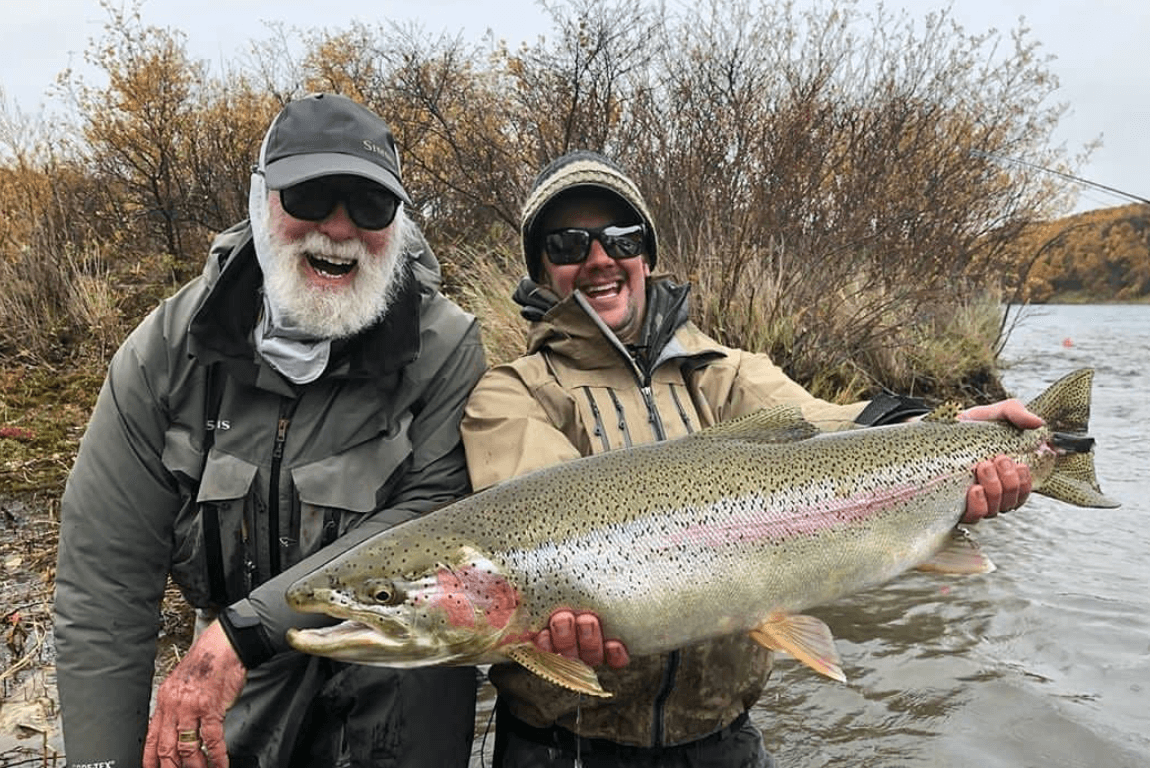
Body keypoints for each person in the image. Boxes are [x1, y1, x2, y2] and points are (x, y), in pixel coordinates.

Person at [459, 149, 1040, 767]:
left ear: (646, 256)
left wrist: (948, 436)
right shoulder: (513, 392)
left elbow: (831, 428)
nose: (599, 258)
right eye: (569, 243)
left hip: (724, 739)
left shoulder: (725, 371)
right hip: (565, 746)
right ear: (542, 270)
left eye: (620, 237)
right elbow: (532, 528)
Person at [54, 93, 487, 768]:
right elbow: (104, 583)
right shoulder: (165, 355)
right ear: (261, 201)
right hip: (238, 677)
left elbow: (430, 523)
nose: (339, 229)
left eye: (370, 207)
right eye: (311, 196)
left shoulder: (447, 348)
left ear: (397, 221)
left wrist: (246, 629)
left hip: (389, 673)